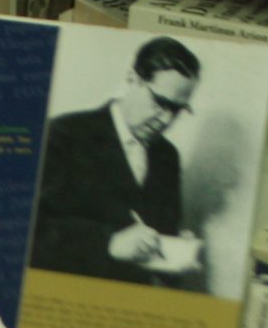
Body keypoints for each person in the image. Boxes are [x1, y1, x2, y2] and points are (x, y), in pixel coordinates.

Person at [29, 36, 205, 287]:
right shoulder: (62, 134)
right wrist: (108, 243)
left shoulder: (167, 156)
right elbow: (29, 231)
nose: (166, 119)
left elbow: (161, 231)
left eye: (177, 109)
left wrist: (175, 247)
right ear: (132, 79)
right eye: (160, 103)